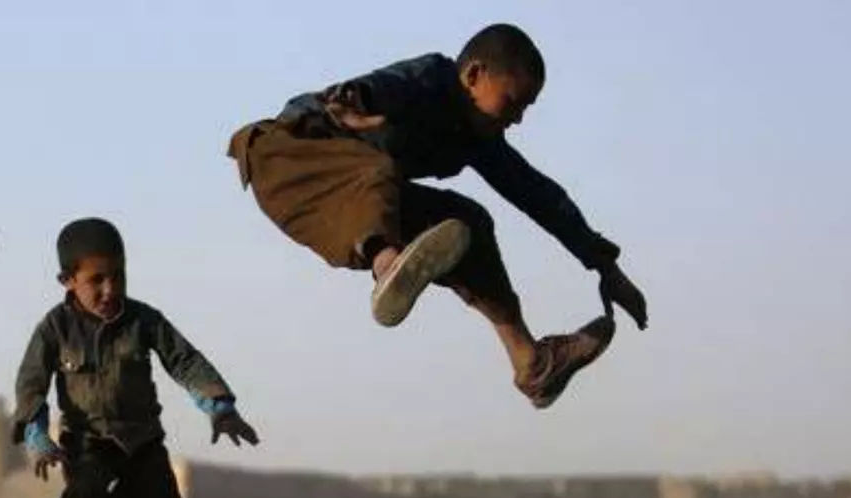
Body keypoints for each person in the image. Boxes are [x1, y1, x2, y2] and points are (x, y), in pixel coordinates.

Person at [226, 23, 648, 409]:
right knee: (376, 171)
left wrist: (604, 264)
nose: (517, 119)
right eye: (513, 103)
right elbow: (382, 87)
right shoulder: (430, 79)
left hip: (363, 197)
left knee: (469, 223)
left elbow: (537, 193)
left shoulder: (477, 138)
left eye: (526, 109)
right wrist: (351, 103)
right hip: (286, 156)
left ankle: (532, 363)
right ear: (474, 75)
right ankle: (387, 265)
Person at [13, 218, 261, 498]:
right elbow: (31, 384)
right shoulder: (55, 329)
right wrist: (36, 435)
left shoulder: (142, 320)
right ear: (67, 281)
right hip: (88, 444)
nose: (110, 289)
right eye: (96, 280)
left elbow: (185, 362)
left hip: (141, 438)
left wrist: (219, 407)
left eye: (118, 276)